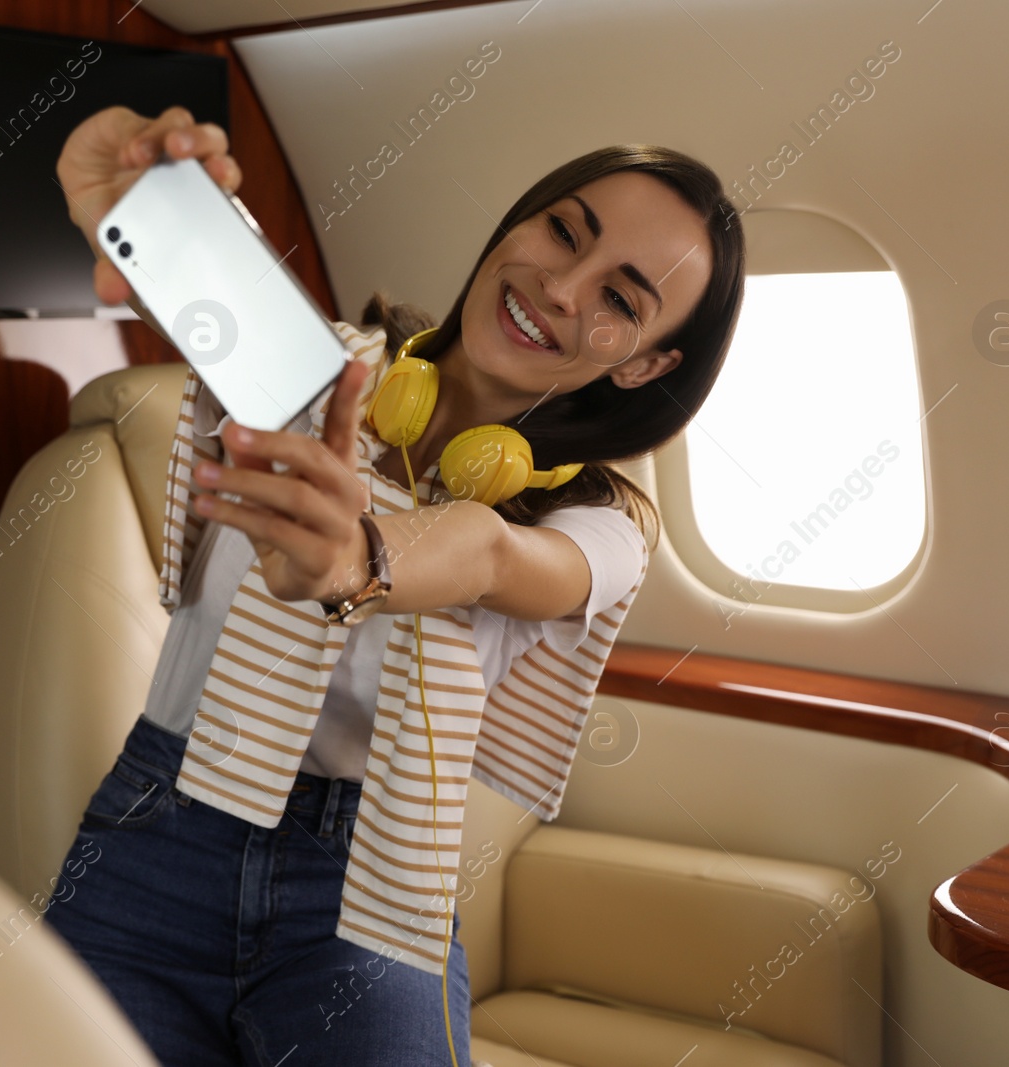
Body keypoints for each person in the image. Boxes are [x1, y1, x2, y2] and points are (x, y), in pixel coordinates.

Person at [45, 105, 746, 1067]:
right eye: (562, 232)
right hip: (157, 831)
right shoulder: (316, 371)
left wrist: (358, 559)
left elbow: (493, 557)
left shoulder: (606, 523)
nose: (559, 287)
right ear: (517, 221)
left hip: (367, 881)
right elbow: (174, 269)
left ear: (650, 363)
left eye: (620, 301)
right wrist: (122, 202)